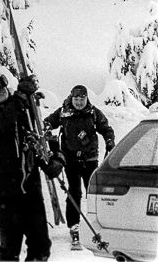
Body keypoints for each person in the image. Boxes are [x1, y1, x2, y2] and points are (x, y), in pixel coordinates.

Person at [0, 70, 59, 262]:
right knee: (10, 248)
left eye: (2, 83)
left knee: (41, 246)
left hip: (30, 187)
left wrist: (55, 159)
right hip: (4, 191)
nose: (1, 89)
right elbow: (1, 125)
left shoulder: (22, 109)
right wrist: (20, 97)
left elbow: (39, 135)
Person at [43, 84, 115, 249]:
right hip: (70, 160)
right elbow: (48, 122)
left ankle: (98, 222)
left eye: (82, 99)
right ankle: (74, 226)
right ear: (71, 98)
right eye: (76, 99)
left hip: (90, 159)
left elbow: (105, 127)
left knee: (94, 192)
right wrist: (46, 129)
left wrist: (109, 140)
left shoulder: (93, 112)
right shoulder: (63, 112)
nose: (79, 102)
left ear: (86, 99)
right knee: (74, 191)